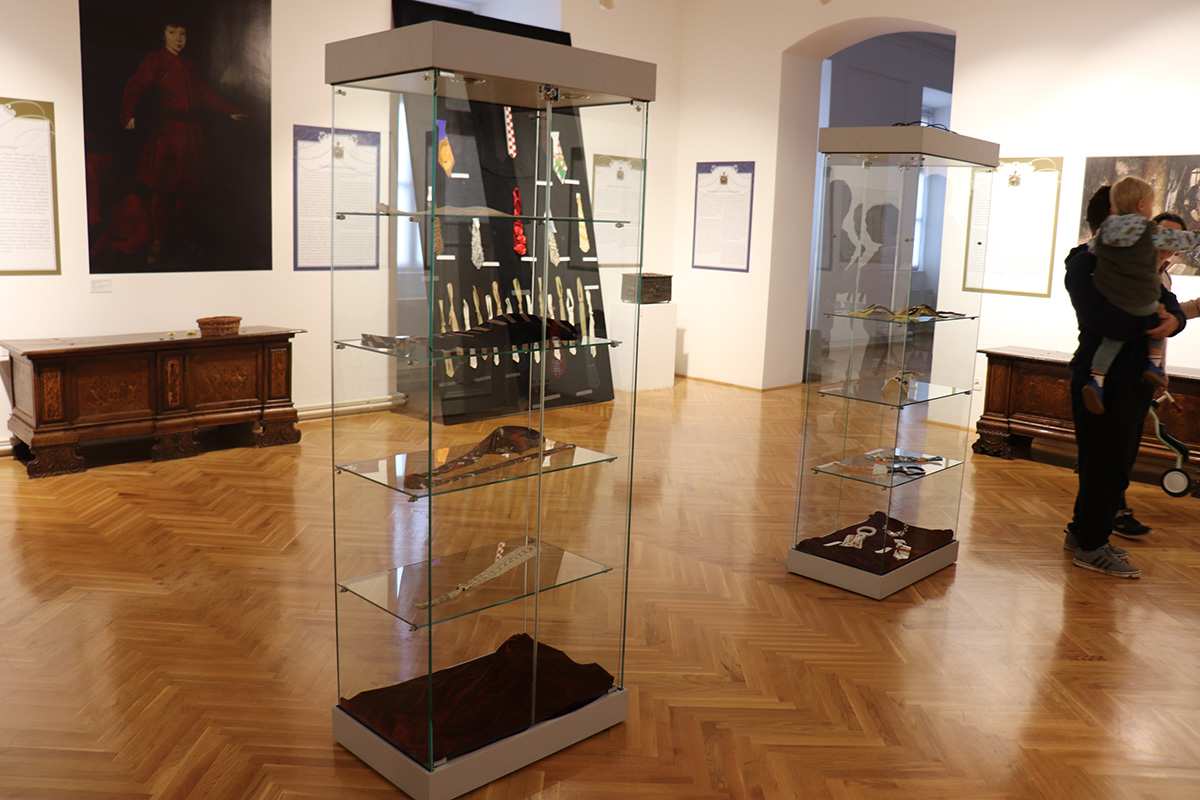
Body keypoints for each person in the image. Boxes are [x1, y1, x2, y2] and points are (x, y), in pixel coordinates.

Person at [1063, 185, 1187, 577]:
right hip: (1101, 378)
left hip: (1133, 379)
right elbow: (1102, 319)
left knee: (1115, 463)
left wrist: (1173, 320)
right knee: (1103, 463)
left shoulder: (1139, 259)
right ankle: (1092, 545)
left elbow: (1168, 304)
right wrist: (1155, 323)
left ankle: (1082, 532)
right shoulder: (1084, 262)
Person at [120, 20, 247, 264]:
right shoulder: (156, 59)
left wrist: (228, 111)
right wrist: (127, 114)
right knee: (162, 191)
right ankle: (157, 240)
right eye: (172, 33)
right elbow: (137, 84)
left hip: (190, 134)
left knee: (189, 193)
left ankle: (187, 239)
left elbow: (202, 92)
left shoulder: (189, 65)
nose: (179, 39)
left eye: (183, 33)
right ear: (163, 35)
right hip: (167, 133)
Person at [1082, 176, 1200, 413]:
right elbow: (1185, 240)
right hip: (1137, 309)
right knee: (1156, 317)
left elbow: (1093, 249)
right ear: (1141, 204)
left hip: (1115, 299)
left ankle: (1096, 379)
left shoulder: (1106, 232)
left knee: (1111, 341)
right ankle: (1154, 365)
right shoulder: (1148, 231)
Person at [1153, 211, 1200, 320]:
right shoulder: (1133, 268)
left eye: (1176, 240)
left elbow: (1167, 311)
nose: (1167, 243)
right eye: (1163, 235)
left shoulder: (1164, 276)